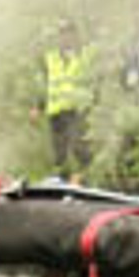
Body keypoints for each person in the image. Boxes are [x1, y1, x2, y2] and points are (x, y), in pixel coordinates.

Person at [39, 20, 97, 181]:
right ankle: (61, 180)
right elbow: (46, 83)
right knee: (59, 153)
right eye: (62, 34)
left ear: (75, 35)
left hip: (77, 110)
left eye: (69, 33)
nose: (66, 38)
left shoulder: (85, 55)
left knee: (81, 149)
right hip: (56, 111)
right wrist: (38, 106)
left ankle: (86, 179)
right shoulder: (50, 58)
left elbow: (96, 75)